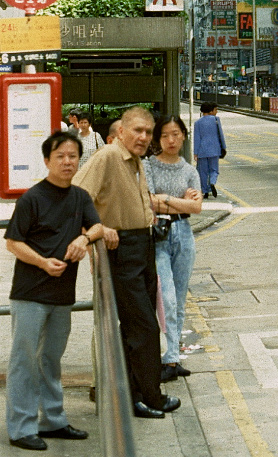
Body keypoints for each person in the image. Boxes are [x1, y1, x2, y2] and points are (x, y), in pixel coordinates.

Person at [73, 107, 181, 420]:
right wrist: (96, 232)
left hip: (142, 247)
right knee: (142, 327)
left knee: (140, 327)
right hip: (122, 250)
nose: (144, 137)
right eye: (137, 131)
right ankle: (149, 397)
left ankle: (138, 394)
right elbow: (77, 197)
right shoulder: (107, 157)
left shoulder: (136, 161)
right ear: (121, 132)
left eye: (148, 132)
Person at [5, 131, 103, 451]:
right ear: (47, 160)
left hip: (62, 294)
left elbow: (97, 226)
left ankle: (53, 420)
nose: (67, 161)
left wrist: (84, 239)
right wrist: (43, 263)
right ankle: (21, 427)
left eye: (72, 156)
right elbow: (13, 242)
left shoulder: (80, 197)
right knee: (24, 361)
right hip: (30, 293)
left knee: (51, 359)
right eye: (60, 156)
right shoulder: (32, 197)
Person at [144, 116, 203, 383]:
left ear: (183, 137)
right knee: (164, 297)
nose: (171, 140)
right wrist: (179, 201)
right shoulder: (147, 166)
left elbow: (196, 208)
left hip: (183, 234)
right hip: (158, 236)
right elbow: (148, 202)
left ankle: (174, 358)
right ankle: (166, 357)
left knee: (179, 298)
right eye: (166, 135)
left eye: (176, 134)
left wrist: (164, 200)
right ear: (157, 139)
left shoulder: (190, 170)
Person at [193, 102, 227, 199]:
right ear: (211, 111)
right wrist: (223, 147)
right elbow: (221, 135)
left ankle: (205, 191)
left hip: (202, 151)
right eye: (215, 110)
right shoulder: (216, 120)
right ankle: (212, 182)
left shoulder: (197, 123)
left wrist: (195, 153)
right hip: (214, 150)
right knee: (214, 170)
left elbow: (197, 139)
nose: (216, 112)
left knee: (203, 172)